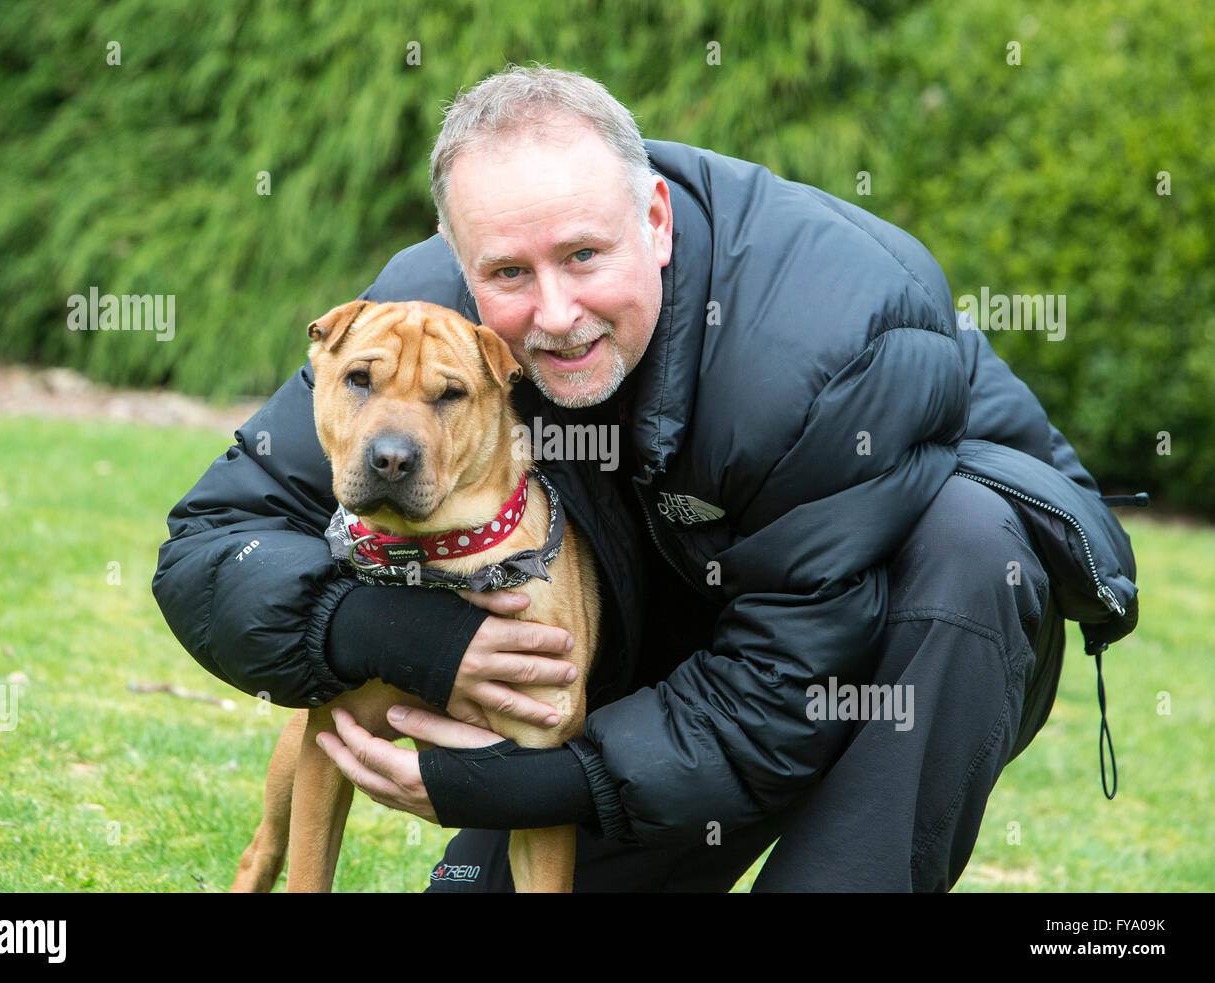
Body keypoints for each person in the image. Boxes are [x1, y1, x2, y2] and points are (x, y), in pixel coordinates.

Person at [152, 65, 1139, 891]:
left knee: (970, 543)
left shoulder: (818, 342)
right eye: (507, 274)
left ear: (655, 221)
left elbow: (780, 686)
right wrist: (382, 631)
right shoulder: (417, 327)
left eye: (585, 255)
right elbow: (209, 543)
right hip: (660, 610)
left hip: (884, 631)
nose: (555, 312)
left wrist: (553, 782)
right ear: (457, 262)